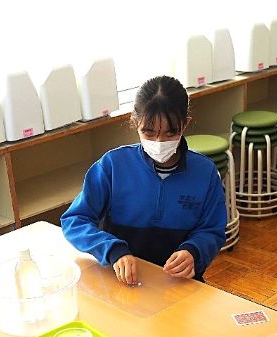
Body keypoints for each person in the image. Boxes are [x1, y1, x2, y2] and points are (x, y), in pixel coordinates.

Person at [61, 75, 227, 285]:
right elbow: (75, 220)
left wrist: (195, 251)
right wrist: (112, 249)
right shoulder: (113, 166)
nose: (159, 141)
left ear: (185, 124)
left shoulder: (205, 172)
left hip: (179, 282)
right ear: (135, 122)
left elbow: (212, 229)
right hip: (124, 282)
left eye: (170, 133)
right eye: (149, 132)